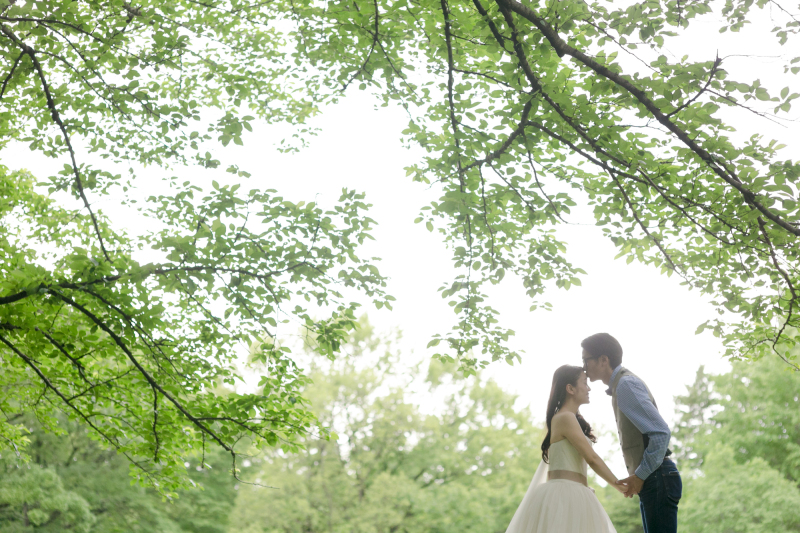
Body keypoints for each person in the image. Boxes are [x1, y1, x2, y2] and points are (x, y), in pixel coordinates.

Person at [505, 365, 626, 533]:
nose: (589, 388)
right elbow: (592, 458)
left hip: (576, 492)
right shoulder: (565, 418)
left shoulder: (570, 419)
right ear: (570, 388)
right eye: (584, 383)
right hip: (565, 495)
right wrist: (619, 485)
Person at [581, 333, 682, 533]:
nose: (584, 366)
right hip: (655, 480)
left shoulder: (625, 384)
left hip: (657, 478)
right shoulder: (621, 384)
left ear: (603, 360)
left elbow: (661, 433)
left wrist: (640, 475)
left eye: (586, 360)